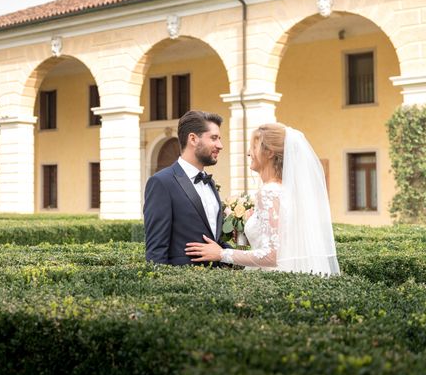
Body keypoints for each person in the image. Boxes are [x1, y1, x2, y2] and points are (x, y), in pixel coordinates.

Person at [185, 123, 340, 276]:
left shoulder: (269, 192)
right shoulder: (287, 191)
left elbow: (272, 255)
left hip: (272, 280)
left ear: (270, 153)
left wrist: (221, 253)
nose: (248, 153)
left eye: (253, 147)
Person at [144, 110, 231, 265]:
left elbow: (214, 240)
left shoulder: (209, 183)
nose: (220, 145)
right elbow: (156, 251)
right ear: (193, 139)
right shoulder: (161, 182)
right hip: (183, 285)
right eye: (214, 138)